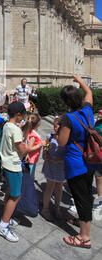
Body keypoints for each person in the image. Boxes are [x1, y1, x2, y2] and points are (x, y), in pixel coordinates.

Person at [58, 75, 97, 249]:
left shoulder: (68, 118)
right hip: (89, 161)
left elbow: (62, 142)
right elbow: (89, 91)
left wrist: (58, 128)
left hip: (76, 163)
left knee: (81, 198)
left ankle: (84, 237)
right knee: (86, 193)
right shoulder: (87, 109)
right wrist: (79, 80)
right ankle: (82, 221)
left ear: (66, 101)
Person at [0, 101, 34, 242]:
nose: (24, 117)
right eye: (23, 115)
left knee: (10, 191)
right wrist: (31, 145)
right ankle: (3, 225)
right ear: (18, 115)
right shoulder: (16, 130)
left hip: (6, 164)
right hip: (14, 165)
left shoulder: (7, 125)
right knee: (15, 196)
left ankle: (6, 216)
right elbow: (22, 150)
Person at [41, 117, 65, 221]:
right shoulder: (50, 137)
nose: (55, 128)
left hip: (60, 167)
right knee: (50, 187)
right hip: (50, 165)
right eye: (54, 126)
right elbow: (45, 147)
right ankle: (45, 209)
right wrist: (45, 153)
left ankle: (57, 208)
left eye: (57, 126)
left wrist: (60, 160)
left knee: (59, 187)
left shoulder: (66, 139)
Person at [22, 113, 46, 181]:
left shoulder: (30, 131)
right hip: (31, 158)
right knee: (29, 176)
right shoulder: (33, 135)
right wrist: (40, 145)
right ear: (38, 123)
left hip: (32, 158)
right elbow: (29, 148)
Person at [93, 109, 102, 214]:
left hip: (100, 154)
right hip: (96, 152)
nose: (99, 114)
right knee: (98, 176)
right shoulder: (98, 122)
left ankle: (100, 201)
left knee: (99, 177)